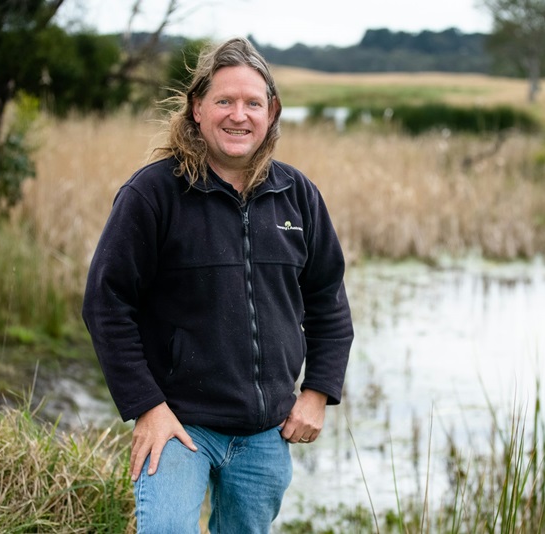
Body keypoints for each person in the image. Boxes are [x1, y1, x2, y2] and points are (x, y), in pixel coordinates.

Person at [82, 36, 354, 533]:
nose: (239, 115)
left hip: (265, 433)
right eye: (224, 101)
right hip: (177, 424)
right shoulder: (152, 194)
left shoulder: (299, 197)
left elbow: (328, 301)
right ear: (197, 108)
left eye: (253, 103)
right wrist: (147, 406)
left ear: (271, 113)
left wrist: (317, 391)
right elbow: (107, 302)